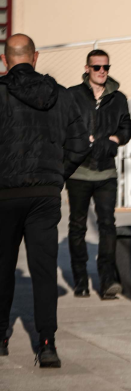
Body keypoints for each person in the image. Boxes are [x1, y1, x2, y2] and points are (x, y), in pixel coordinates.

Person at [0, 34, 90, 366]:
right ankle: (47, 344)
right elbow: (81, 145)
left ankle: (1, 337)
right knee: (43, 270)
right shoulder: (63, 96)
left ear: (4, 59)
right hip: (45, 197)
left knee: (2, 267)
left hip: (5, 195)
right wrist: (56, 176)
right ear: (35, 57)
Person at [67, 49, 131, 299]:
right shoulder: (72, 96)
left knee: (107, 225)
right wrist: (82, 141)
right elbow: (64, 126)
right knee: (77, 226)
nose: (102, 71)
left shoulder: (118, 98)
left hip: (106, 172)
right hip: (78, 173)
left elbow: (127, 127)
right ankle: (80, 279)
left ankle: (107, 280)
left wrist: (113, 139)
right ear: (87, 69)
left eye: (106, 67)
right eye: (97, 67)